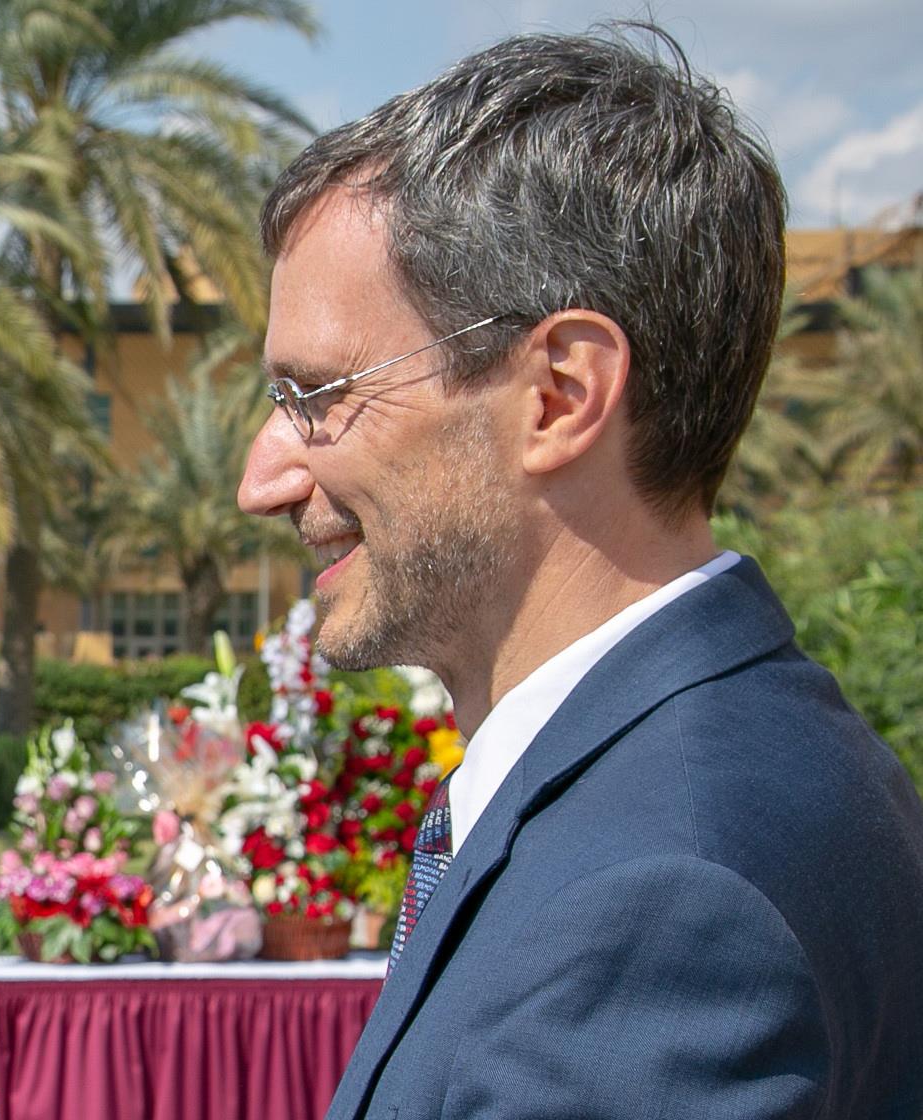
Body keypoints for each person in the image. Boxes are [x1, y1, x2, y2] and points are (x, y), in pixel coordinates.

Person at [238, 25, 923, 1119]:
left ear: (558, 394)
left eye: (315, 397)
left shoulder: (661, 900)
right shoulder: (719, 773)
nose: (261, 478)